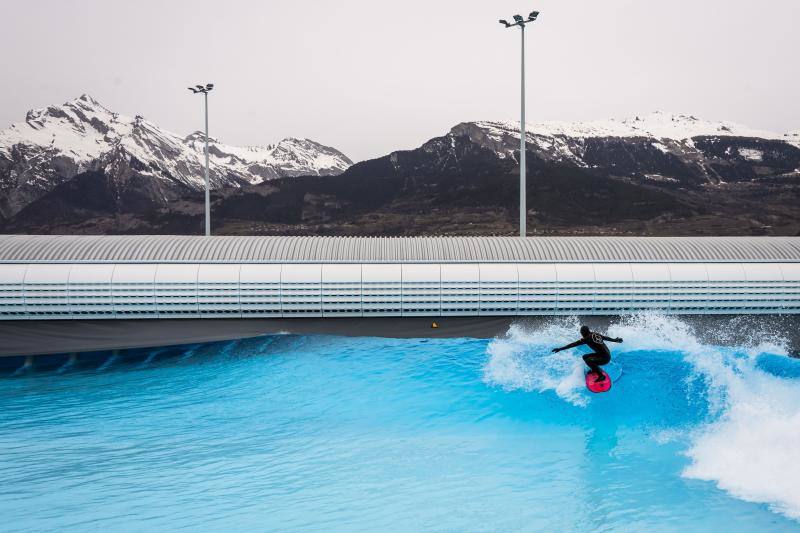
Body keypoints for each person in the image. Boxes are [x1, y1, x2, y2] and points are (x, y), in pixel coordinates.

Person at [552, 325, 623, 382]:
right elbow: (606, 338)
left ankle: (601, 376)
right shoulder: (595, 334)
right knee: (585, 357)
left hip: (605, 359)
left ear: (584, 333)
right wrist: (616, 340)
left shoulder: (587, 338)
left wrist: (560, 349)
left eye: (581, 333)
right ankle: (594, 369)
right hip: (605, 354)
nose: (581, 335)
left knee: (589, 360)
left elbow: (573, 344)